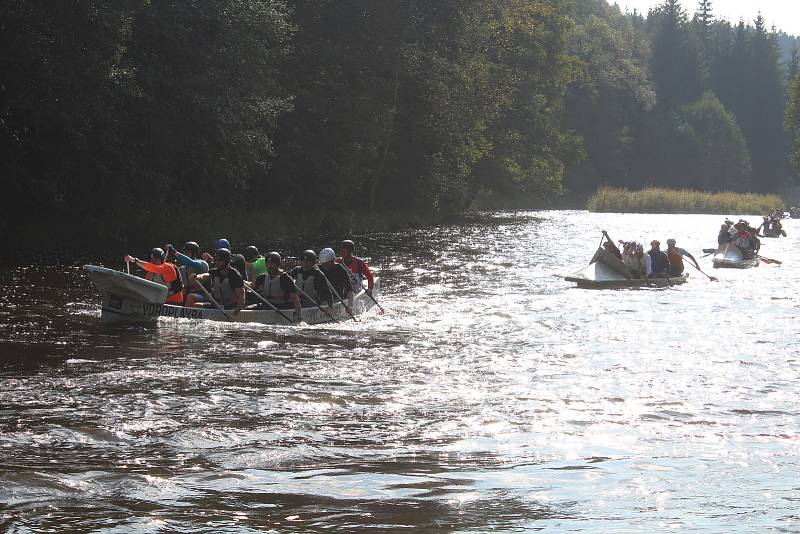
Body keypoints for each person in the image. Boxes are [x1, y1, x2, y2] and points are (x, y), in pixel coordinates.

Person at [188, 248, 245, 314]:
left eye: (220, 260)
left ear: (227, 261)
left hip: (231, 307)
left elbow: (241, 297)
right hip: (217, 305)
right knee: (195, 306)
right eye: (216, 260)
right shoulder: (214, 272)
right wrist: (197, 277)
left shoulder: (235, 275)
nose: (217, 262)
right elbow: (205, 276)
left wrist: (235, 313)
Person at [251, 252, 303, 322]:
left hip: (281, 307)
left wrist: (299, 316)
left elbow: (295, 299)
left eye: (273, 264)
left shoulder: (285, 278)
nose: (270, 266)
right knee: (247, 308)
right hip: (265, 306)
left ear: (278, 264)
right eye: (268, 264)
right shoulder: (262, 277)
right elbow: (252, 289)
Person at [319, 247, 354, 314]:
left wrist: (350, 305)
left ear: (333, 260)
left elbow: (349, 289)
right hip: (322, 298)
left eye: (327, 263)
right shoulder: (319, 269)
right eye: (323, 264)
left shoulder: (341, 270)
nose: (325, 266)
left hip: (336, 297)